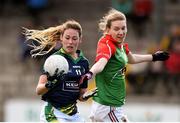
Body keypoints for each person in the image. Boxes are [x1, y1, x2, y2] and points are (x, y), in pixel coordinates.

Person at [81, 9, 169, 122]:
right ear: (108, 29)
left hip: (113, 105)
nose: (121, 32)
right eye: (116, 29)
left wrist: (154, 57)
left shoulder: (120, 45)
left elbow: (131, 58)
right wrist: (90, 73)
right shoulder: (106, 44)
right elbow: (101, 63)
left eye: (123, 28)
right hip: (107, 106)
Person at [23, 20, 97, 122]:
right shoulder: (54, 60)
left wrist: (86, 96)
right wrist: (49, 84)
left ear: (80, 39)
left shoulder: (84, 63)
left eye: (74, 38)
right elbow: (38, 90)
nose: (70, 42)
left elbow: (81, 95)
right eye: (67, 38)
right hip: (53, 113)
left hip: (73, 115)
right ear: (61, 38)